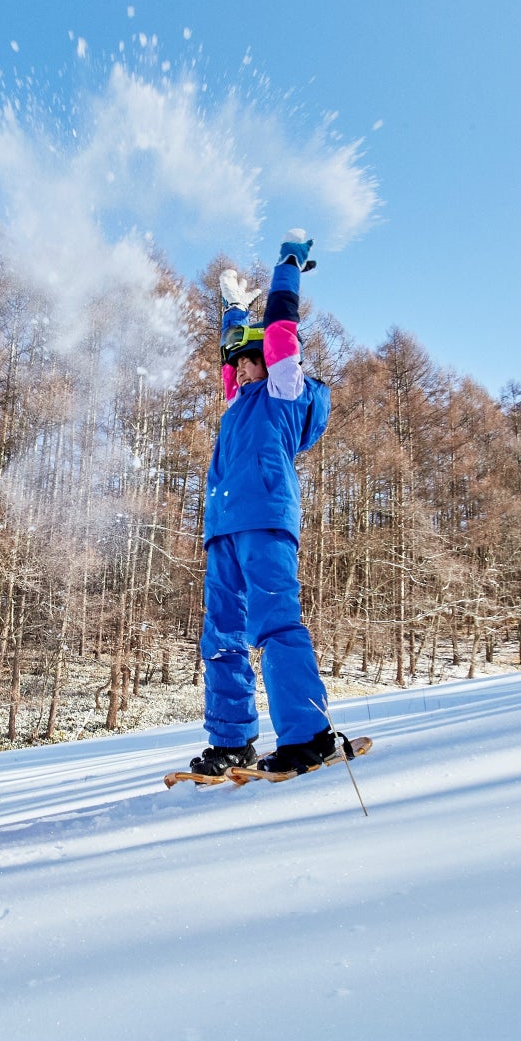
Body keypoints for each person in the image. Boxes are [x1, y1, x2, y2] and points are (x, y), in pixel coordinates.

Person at [187, 232, 337, 778]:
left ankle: (309, 733)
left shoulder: (283, 390)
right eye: (240, 364)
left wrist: (287, 266)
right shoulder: (237, 401)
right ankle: (232, 740)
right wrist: (230, 307)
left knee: (273, 623)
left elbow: (278, 331)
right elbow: (233, 349)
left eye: (252, 362)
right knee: (221, 632)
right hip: (223, 527)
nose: (243, 370)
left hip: (267, 518)